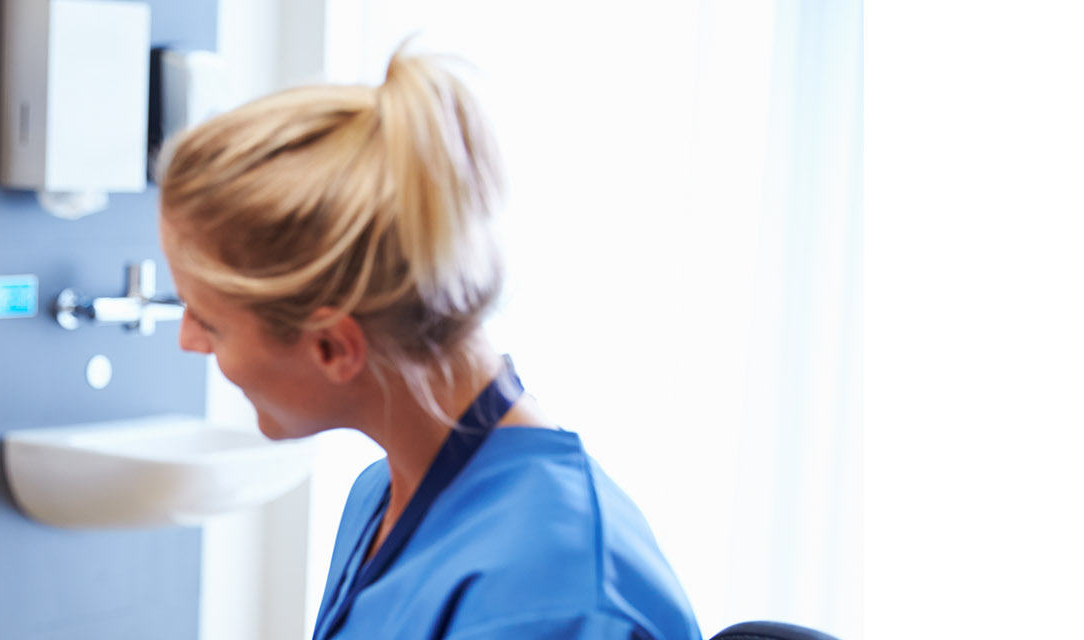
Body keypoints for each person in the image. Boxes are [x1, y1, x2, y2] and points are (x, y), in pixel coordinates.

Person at [156, 49, 701, 639]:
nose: (188, 341)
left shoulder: (556, 596)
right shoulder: (381, 499)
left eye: (209, 322)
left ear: (334, 347)